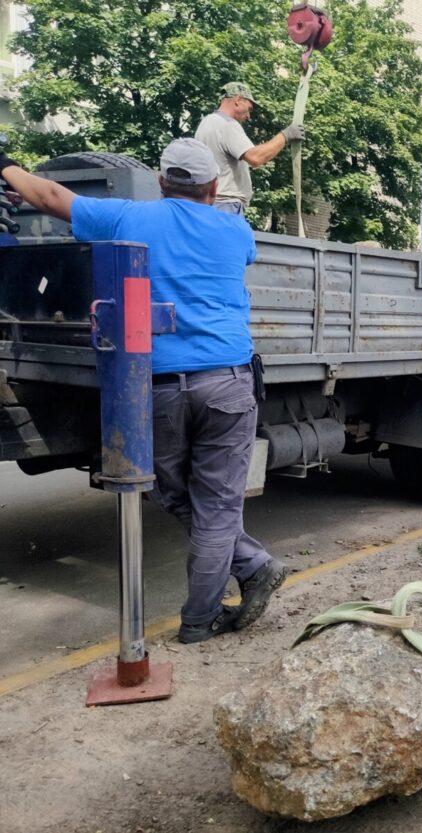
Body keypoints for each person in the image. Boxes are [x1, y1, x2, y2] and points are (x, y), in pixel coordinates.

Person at [0, 139, 289, 644]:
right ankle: (246, 575)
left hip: (157, 386)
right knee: (215, 507)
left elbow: (47, 195)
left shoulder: (127, 219)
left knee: (164, 488)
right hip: (228, 382)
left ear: (161, 182)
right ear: (214, 186)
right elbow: (239, 257)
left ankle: (208, 609)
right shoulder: (234, 227)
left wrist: (5, 165)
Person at [194, 82, 305, 216]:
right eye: (249, 108)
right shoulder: (226, 124)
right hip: (226, 206)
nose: (248, 116)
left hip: (207, 204)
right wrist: (286, 135)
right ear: (238, 100)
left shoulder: (206, 123)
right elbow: (256, 157)